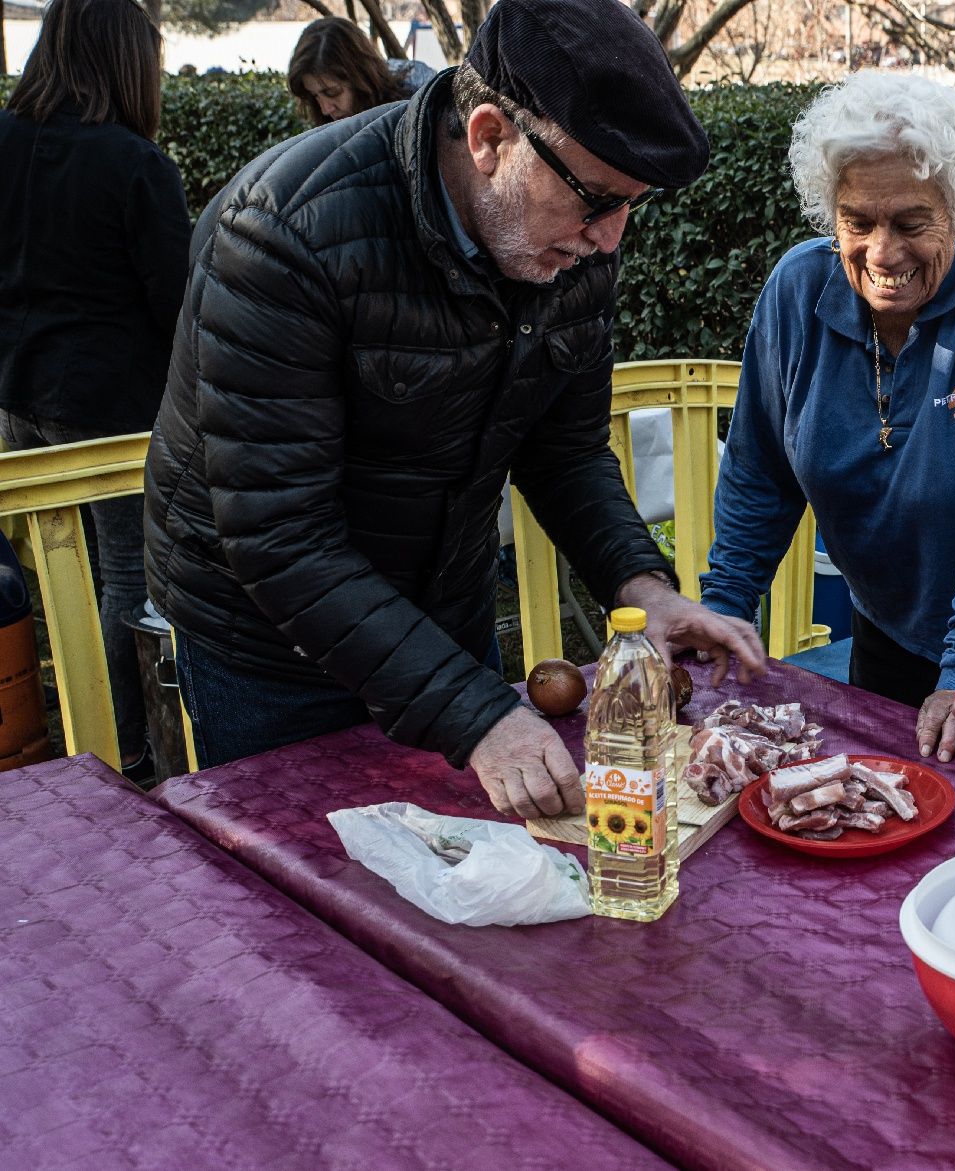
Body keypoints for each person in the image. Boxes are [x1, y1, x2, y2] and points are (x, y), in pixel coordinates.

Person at [144, 0, 765, 818]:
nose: (611, 239)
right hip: (269, 650)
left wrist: (642, 583)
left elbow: (566, 448)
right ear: (487, 137)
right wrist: (473, 713)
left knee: (469, 883)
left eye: (630, 205)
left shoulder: (566, 241)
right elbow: (279, 534)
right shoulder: (283, 231)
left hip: (441, 607)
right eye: (594, 199)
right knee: (299, 915)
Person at [699, 73, 955, 768]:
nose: (883, 252)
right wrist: (724, 611)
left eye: (912, 222)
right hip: (890, 614)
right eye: (857, 221)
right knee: (881, 815)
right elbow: (758, 477)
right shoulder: (797, 292)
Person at [0, 0, 191, 785]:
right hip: (113, 412)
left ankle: (77, 736)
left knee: (52, 576)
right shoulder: (133, 163)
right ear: (124, 60)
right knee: (127, 580)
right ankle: (125, 751)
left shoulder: (5, 142)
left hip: (16, 393)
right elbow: (178, 299)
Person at [287, 17, 436, 125]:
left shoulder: (419, 102)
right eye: (315, 96)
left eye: (332, 92)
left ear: (361, 76)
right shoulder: (329, 124)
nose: (325, 109)